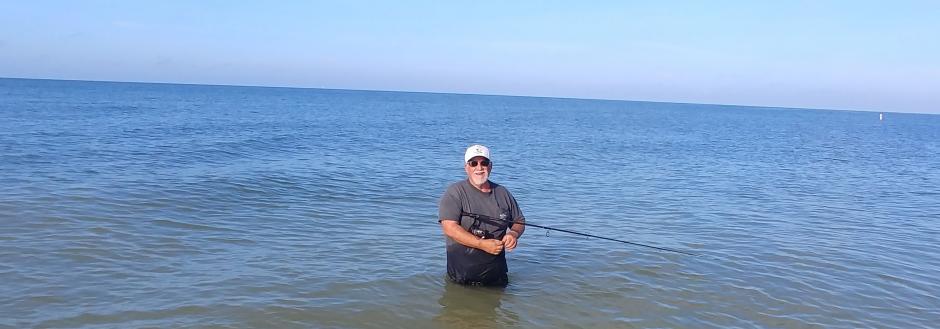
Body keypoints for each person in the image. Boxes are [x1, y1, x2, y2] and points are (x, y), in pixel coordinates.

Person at [438, 144, 525, 286]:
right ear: (466, 167)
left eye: (484, 163)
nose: (479, 168)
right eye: (474, 163)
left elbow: (519, 220)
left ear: (490, 166)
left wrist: (513, 234)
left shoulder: (503, 193)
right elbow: (449, 227)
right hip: (462, 279)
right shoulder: (455, 192)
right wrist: (481, 244)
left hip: (497, 277)